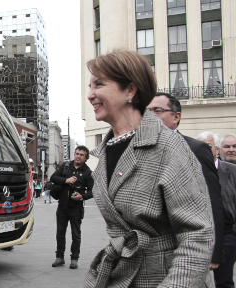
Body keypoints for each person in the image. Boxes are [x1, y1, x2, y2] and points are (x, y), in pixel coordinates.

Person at [84, 50, 214, 287]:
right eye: (89, 86)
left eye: (99, 84)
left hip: (166, 276)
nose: (90, 95)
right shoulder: (105, 150)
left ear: (130, 91)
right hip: (123, 274)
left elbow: (197, 234)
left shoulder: (168, 146)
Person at [148, 93, 224, 270]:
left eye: (157, 111)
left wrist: (213, 251)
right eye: (147, 111)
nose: (150, 116)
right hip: (150, 252)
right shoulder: (140, 151)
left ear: (176, 117)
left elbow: (212, 201)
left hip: (186, 248)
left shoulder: (196, 149)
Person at [197, 131, 236, 288]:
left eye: (208, 146)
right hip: (200, 235)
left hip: (227, 234)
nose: (204, 150)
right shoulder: (191, 171)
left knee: (224, 281)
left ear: (217, 149)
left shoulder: (232, 170)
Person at [50, 146, 93, 269]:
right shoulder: (66, 166)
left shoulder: (88, 173)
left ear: (86, 158)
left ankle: (74, 259)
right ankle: (59, 257)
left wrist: (82, 196)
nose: (78, 156)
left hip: (76, 208)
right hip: (62, 206)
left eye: (81, 155)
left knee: (76, 235)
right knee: (60, 233)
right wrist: (66, 180)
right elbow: (53, 177)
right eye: (77, 153)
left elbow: (92, 191)